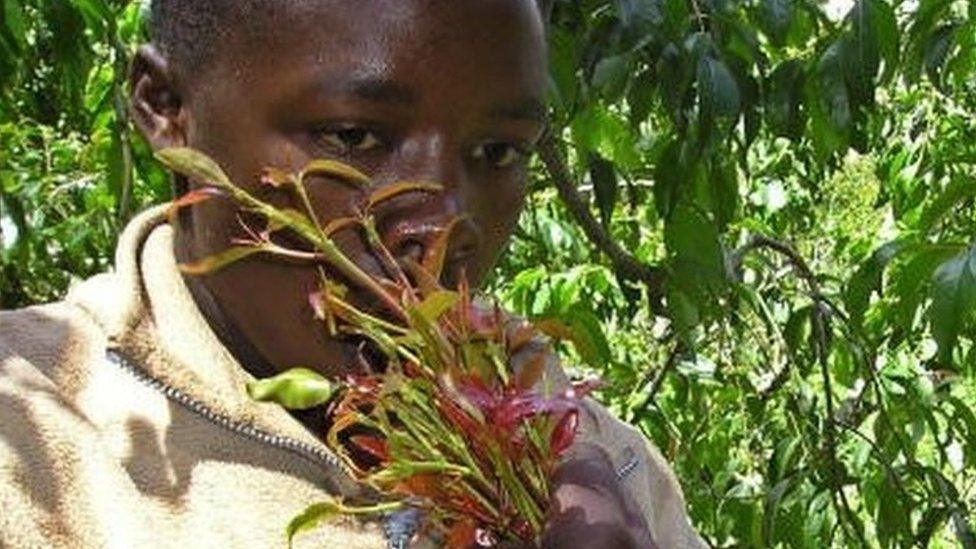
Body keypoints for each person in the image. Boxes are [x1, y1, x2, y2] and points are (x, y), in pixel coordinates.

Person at [0, 1, 705, 547]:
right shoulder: (31, 441)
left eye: (496, 150)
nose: (443, 223)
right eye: (353, 138)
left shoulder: (600, 461)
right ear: (168, 110)